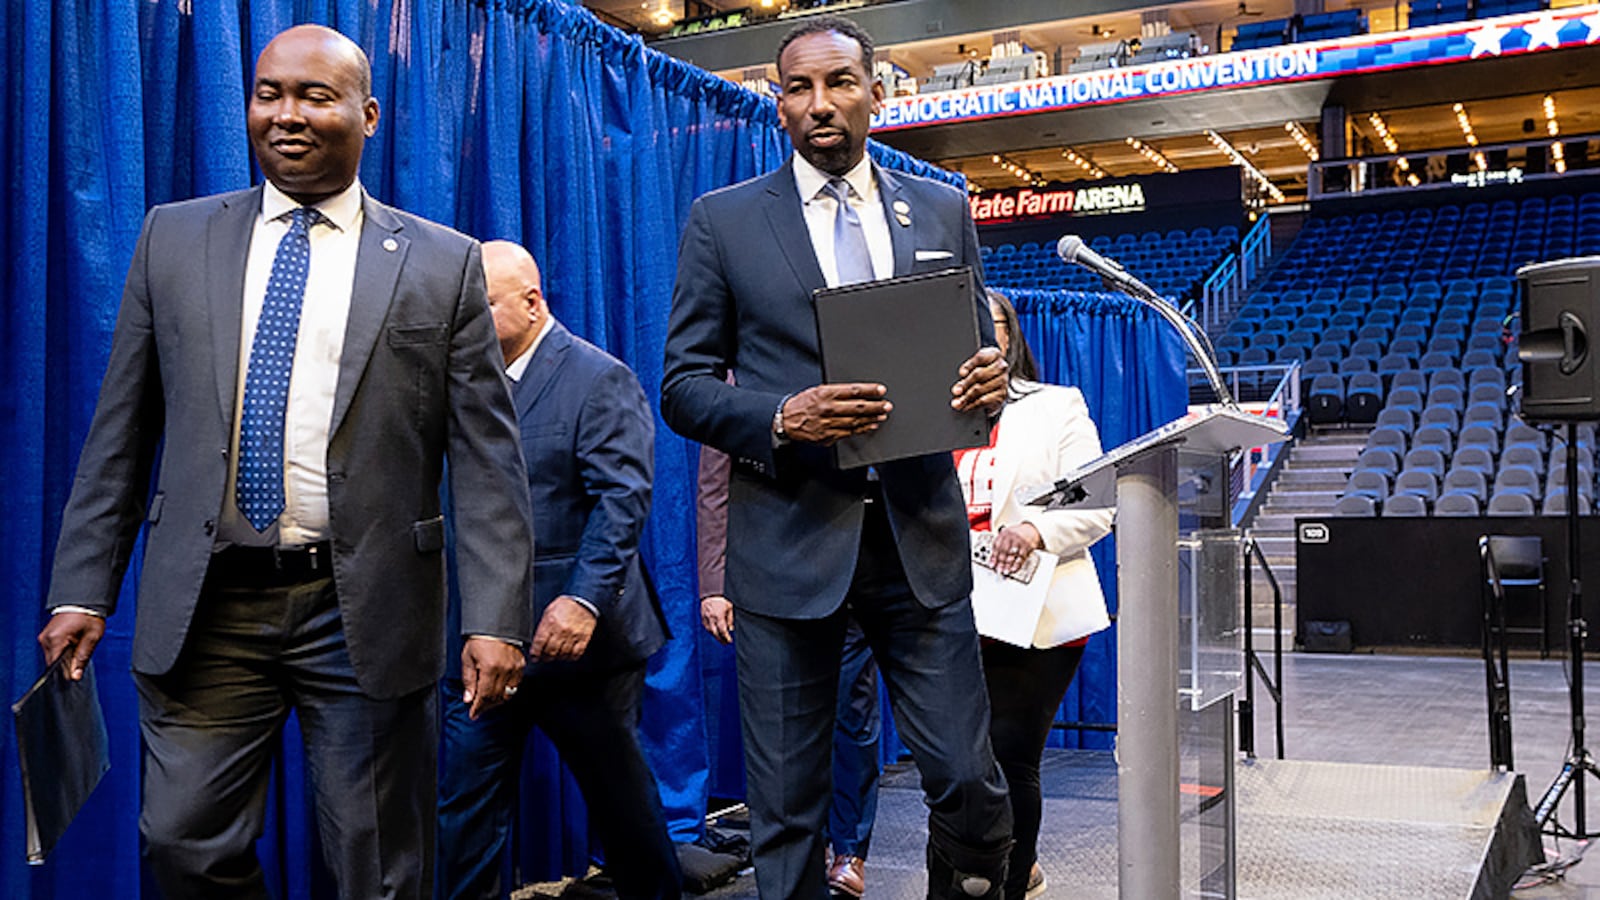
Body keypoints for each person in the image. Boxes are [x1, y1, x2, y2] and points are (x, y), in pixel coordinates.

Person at [35, 25, 534, 899]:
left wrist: (496, 616)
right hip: (207, 604)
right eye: (270, 93)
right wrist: (82, 587)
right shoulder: (173, 239)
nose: (288, 115)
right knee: (180, 845)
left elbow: (489, 459)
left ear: (368, 114)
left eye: (316, 95)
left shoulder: (443, 263)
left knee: (379, 872)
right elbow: (120, 432)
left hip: (367, 610)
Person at [661, 15, 1014, 899]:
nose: (820, 104)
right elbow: (684, 387)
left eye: (839, 83)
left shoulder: (940, 206)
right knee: (786, 813)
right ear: (779, 105)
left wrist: (989, 382)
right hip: (786, 547)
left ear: (875, 93)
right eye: (798, 88)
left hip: (918, 544)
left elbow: (972, 354)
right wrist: (784, 415)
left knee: (970, 784)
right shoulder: (725, 221)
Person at [438, 241, 681, 899]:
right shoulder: (460, 384)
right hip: (482, 640)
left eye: (482, 306)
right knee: (462, 812)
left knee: (620, 806)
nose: (468, 322)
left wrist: (582, 600)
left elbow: (622, 500)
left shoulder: (598, 377)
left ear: (532, 301)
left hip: (584, 648)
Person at [960, 291, 1113, 900]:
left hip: (1039, 611)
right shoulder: (929, 414)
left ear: (1010, 335)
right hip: (950, 609)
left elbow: (1097, 503)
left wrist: (1033, 529)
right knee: (961, 769)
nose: (973, 336)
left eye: (986, 325)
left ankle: (1009, 884)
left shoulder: (1055, 406)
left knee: (1009, 755)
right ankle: (988, 871)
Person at [697, 445, 882, 899]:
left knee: (852, 714)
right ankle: (804, 848)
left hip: (855, 571)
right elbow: (714, 488)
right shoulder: (736, 381)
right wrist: (713, 584)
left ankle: (850, 850)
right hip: (774, 575)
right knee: (783, 730)